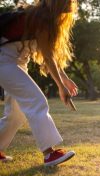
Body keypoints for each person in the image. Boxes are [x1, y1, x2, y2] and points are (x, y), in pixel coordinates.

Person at [0, 0, 78, 166]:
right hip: (4, 61)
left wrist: (64, 79)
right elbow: (48, 57)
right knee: (37, 101)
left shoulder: (42, 18)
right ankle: (49, 154)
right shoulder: (41, 18)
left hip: (16, 63)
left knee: (16, 114)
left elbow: (48, 55)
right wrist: (61, 86)